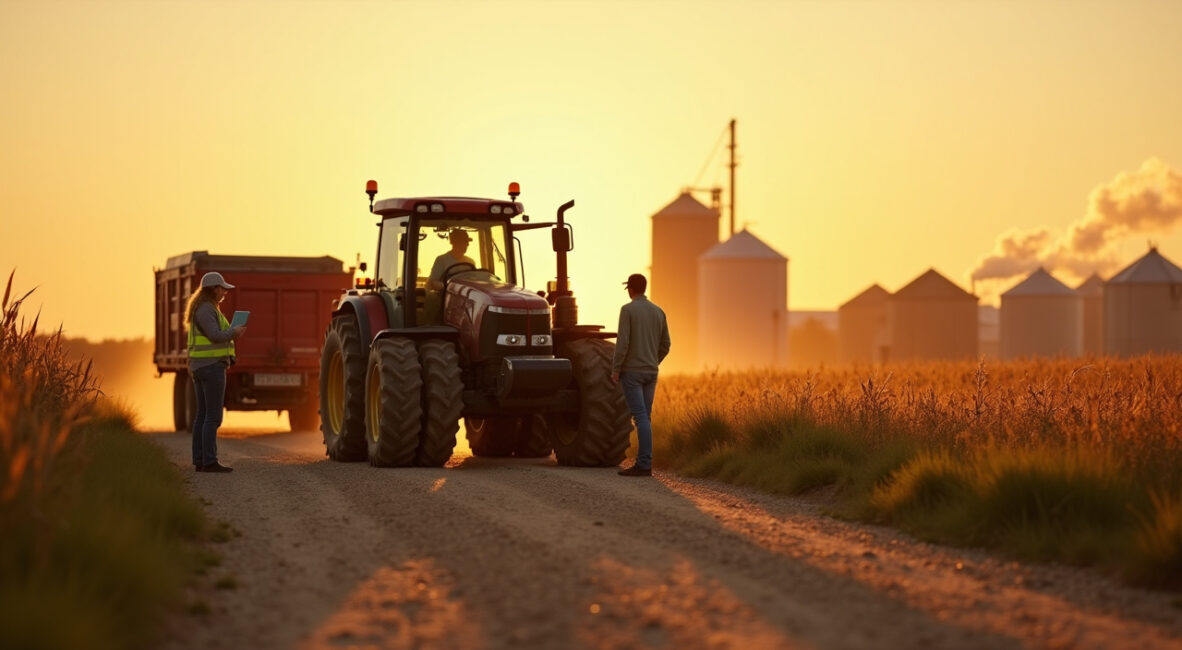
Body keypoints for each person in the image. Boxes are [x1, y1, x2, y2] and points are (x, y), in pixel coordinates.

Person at [186, 271, 246, 473]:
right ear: (213, 289)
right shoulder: (206, 310)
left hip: (202, 366)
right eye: (222, 289)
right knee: (212, 417)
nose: (225, 293)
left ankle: (201, 460)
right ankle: (209, 461)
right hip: (211, 367)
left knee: (202, 415)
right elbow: (215, 335)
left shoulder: (204, 308)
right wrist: (234, 332)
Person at [612, 273, 671, 477]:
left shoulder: (627, 310)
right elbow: (666, 345)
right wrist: (654, 361)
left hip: (633, 373)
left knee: (640, 418)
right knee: (646, 417)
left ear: (630, 289)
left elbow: (623, 343)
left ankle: (644, 464)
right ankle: (644, 462)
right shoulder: (659, 312)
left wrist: (616, 368)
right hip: (651, 372)